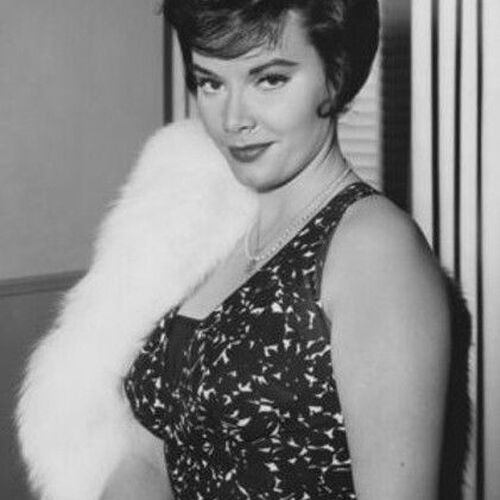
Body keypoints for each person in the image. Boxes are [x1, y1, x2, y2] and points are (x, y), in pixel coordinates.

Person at [16, 1, 452, 499]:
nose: (233, 118)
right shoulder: (212, 228)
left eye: (269, 79)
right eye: (211, 83)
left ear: (335, 77)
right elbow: (150, 453)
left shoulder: (373, 248)